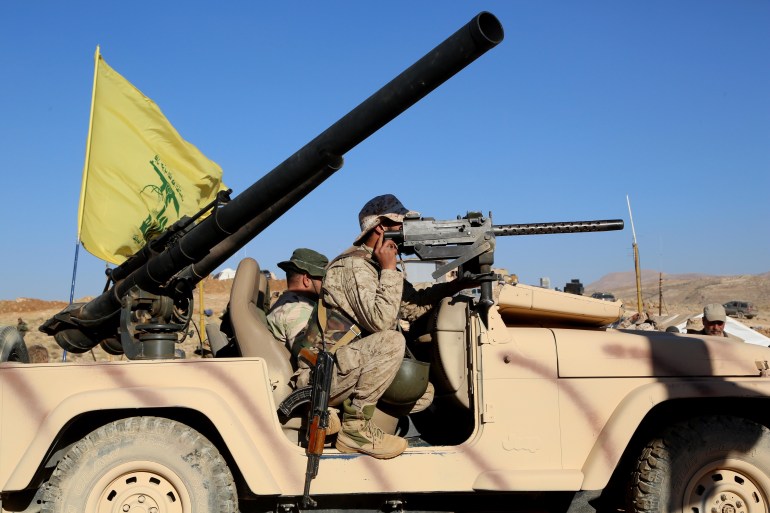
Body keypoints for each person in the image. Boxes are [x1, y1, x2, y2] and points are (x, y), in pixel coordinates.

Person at [296, 194, 474, 459]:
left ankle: (359, 420)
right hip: (323, 375)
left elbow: (412, 306)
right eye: (402, 223)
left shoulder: (375, 265)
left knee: (422, 392)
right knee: (392, 340)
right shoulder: (353, 266)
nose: (407, 231)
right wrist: (390, 270)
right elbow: (380, 321)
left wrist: (454, 286)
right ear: (380, 227)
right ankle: (355, 430)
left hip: (347, 368)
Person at [266, 248, 328, 353]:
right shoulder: (298, 309)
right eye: (322, 278)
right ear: (306, 280)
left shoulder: (285, 301)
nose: (325, 284)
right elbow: (309, 357)